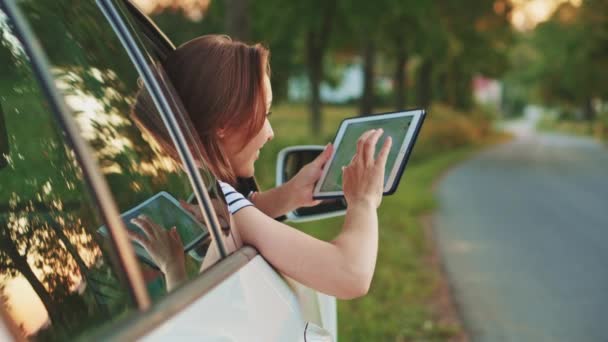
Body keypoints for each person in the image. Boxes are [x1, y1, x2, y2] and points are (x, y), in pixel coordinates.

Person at [129, 35, 392, 299]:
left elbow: (242, 218)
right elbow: (349, 275)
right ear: (224, 124)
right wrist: (363, 201)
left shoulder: (210, 201)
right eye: (264, 114)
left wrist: (290, 194)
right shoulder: (226, 206)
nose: (270, 133)